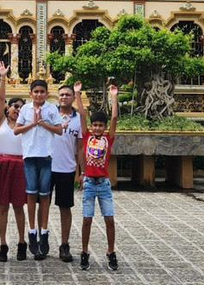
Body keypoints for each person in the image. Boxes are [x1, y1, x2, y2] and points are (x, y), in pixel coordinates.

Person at [13, 79, 63, 260]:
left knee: (45, 195)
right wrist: (33, 124)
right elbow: (16, 130)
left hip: (46, 156)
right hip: (30, 156)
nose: (39, 94)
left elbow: (59, 130)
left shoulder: (51, 109)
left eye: (42, 91)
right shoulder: (25, 109)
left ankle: (44, 231)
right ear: (31, 93)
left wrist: (43, 123)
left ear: (47, 93)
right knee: (31, 194)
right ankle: (32, 230)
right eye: (36, 91)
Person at [78, 83, 119, 272]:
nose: (97, 128)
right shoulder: (87, 137)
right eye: (95, 125)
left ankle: (111, 251)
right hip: (89, 184)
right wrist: (77, 94)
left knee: (109, 219)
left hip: (103, 184)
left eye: (100, 125)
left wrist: (114, 97)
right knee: (87, 219)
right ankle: (84, 252)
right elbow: (81, 115)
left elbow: (115, 117)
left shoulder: (108, 139)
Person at [0, 60, 28, 262]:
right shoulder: (1, 122)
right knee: (3, 207)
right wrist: (3, 76)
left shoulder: (26, 126)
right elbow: (1, 97)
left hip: (20, 166)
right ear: (7, 109)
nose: (17, 109)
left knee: (19, 206)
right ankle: (3, 244)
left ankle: (22, 242)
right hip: (2, 166)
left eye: (21, 107)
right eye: (15, 106)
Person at [50, 82, 87, 263]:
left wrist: (82, 172)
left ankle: (64, 244)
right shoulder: (50, 113)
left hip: (66, 168)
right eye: (61, 94)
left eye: (67, 95)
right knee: (42, 206)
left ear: (73, 97)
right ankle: (42, 241)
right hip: (47, 166)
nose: (64, 97)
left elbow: (80, 148)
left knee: (65, 207)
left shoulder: (78, 119)